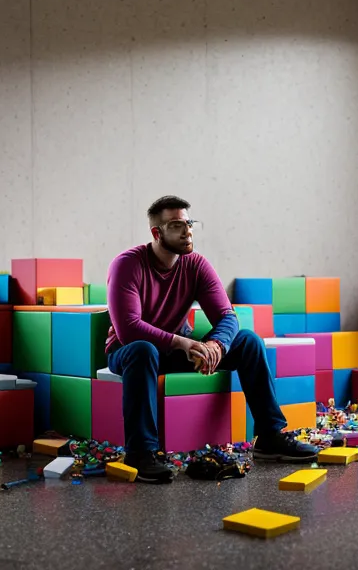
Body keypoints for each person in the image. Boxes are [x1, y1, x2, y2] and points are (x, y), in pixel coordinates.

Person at [106, 195, 318, 483]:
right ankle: (140, 453)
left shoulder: (195, 264)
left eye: (189, 223)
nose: (187, 231)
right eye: (177, 225)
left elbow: (228, 317)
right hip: (130, 353)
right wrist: (182, 343)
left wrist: (216, 344)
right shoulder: (127, 264)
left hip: (174, 351)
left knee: (248, 341)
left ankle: (269, 436)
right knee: (143, 349)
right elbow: (129, 329)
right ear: (157, 233)